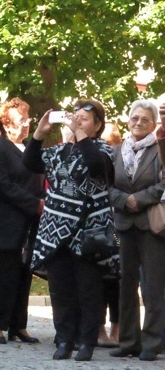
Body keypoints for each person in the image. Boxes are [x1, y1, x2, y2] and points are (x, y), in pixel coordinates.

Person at [23, 98, 114, 361]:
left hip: (87, 232)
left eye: (84, 119)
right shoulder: (58, 152)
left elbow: (97, 166)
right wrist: (40, 132)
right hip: (55, 231)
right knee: (60, 289)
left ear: (97, 125)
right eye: (73, 117)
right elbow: (29, 163)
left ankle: (87, 342)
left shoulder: (103, 150)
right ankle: (64, 339)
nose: (75, 121)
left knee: (88, 289)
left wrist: (81, 134)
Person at [0, 98, 44, 345]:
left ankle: (19, 325)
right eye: (21, 120)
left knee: (24, 274)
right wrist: (35, 203)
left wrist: (41, 202)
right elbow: (3, 186)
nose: (27, 125)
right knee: (4, 275)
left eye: (28, 119)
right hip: (6, 221)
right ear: (7, 124)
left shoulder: (32, 149)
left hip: (31, 222)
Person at [109, 100, 165, 361]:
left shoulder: (160, 149)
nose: (138, 123)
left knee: (153, 286)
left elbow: (162, 184)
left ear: (154, 124)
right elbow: (106, 185)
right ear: (127, 120)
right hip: (124, 224)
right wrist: (123, 201)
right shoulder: (117, 150)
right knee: (125, 284)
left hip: (150, 225)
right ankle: (129, 341)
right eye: (135, 118)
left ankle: (152, 343)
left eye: (145, 119)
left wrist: (137, 200)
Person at [98, 121, 122, 348]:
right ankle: (100, 329)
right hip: (98, 227)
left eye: (109, 144)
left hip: (118, 228)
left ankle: (118, 327)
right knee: (99, 280)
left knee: (119, 281)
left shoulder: (120, 162)